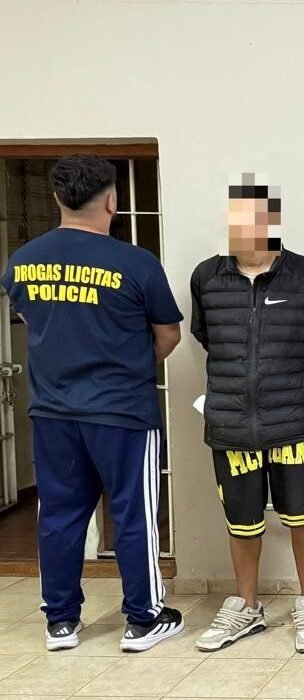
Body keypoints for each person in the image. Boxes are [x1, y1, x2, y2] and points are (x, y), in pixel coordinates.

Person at [1, 154, 184, 652]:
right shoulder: (136, 262)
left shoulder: (22, 262)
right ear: (111, 200)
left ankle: (60, 622)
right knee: (133, 512)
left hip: (53, 411)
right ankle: (143, 619)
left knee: (58, 515)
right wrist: (130, 364)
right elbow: (168, 333)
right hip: (123, 411)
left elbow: (31, 318)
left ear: (57, 198)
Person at [188, 176, 304, 653]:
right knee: (242, 523)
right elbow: (206, 335)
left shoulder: (303, 274)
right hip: (231, 424)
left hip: (293, 419)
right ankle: (247, 608)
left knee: (303, 517)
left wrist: (279, 372)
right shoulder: (206, 277)